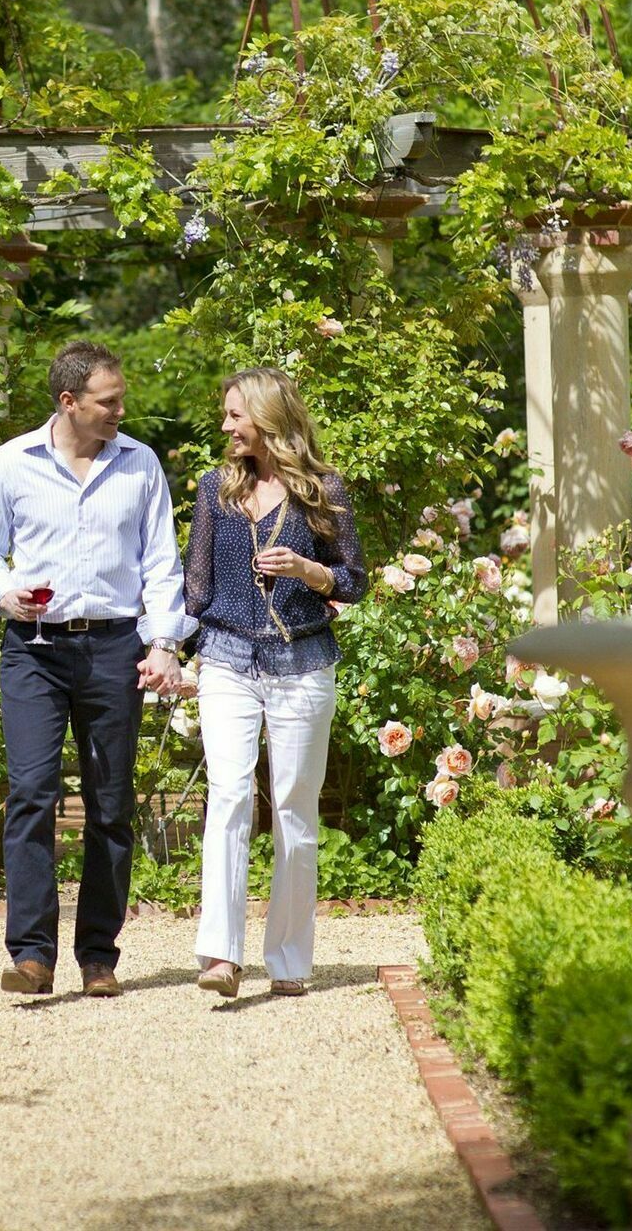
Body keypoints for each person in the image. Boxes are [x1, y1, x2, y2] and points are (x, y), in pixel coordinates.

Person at [0, 340, 184, 999]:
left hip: (115, 647)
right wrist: (1, 593)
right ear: (69, 402)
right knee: (32, 794)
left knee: (110, 804)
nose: (121, 411)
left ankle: (98, 958)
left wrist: (165, 642)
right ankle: (31, 955)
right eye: (108, 401)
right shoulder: (12, 464)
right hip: (32, 649)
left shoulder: (140, 465)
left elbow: (161, 563)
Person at [184, 367, 367, 999]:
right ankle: (220, 955)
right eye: (226, 415)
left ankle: (288, 958)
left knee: (293, 807)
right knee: (230, 794)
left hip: (304, 663)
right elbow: (197, 587)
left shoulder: (324, 490)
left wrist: (308, 571)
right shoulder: (216, 490)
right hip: (229, 660)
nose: (227, 426)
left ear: (269, 418)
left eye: (236, 415)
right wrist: (175, 649)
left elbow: (353, 581)